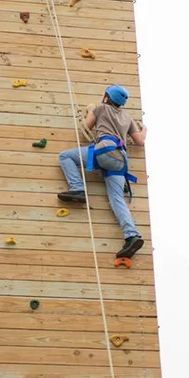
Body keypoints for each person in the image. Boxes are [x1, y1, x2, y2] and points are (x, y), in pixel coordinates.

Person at [58, 85, 148, 259]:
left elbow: (87, 128)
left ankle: (78, 188)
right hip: (120, 161)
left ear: (106, 97)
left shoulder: (100, 108)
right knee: (116, 199)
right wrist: (144, 129)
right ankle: (132, 235)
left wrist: (91, 110)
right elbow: (140, 142)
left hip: (104, 150)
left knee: (65, 157)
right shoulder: (127, 118)